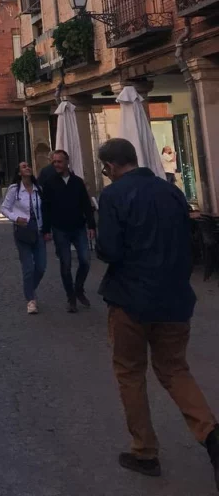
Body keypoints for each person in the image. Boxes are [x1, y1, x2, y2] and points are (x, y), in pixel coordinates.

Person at [97, 137, 219, 485]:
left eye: (105, 168)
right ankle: (211, 434)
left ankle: (144, 450)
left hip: (131, 299)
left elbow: (109, 249)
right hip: (175, 298)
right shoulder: (172, 192)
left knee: (130, 373)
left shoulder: (114, 195)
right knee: (175, 370)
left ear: (111, 166)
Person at [40, 149, 96, 313]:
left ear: (67, 163)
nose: (56, 164)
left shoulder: (77, 182)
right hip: (60, 229)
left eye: (59, 162)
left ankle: (78, 288)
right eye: (54, 162)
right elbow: (46, 208)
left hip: (78, 227)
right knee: (65, 264)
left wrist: (92, 226)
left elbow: (86, 204)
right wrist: (46, 229)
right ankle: (71, 297)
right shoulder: (50, 182)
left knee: (85, 261)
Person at [0, 162, 46, 314]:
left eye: (28, 166)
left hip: (38, 231)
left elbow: (45, 209)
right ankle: (31, 300)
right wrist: (16, 218)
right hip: (23, 231)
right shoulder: (15, 189)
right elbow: (4, 209)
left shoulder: (38, 188)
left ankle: (29, 288)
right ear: (19, 173)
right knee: (28, 268)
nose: (27, 168)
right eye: (23, 167)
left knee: (41, 267)